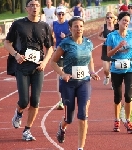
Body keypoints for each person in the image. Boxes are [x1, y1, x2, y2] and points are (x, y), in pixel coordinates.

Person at [4, 0, 53, 141]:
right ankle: (18, 113)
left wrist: (44, 62)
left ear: (40, 8)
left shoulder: (44, 26)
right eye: (31, 5)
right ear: (27, 8)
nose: (35, 8)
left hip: (38, 67)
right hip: (22, 67)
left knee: (35, 101)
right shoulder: (18, 24)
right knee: (24, 101)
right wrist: (16, 55)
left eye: (37, 5)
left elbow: (50, 48)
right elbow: (7, 43)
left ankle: (27, 130)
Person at [50, 16, 100, 150]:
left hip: (84, 82)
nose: (79, 29)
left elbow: (90, 59)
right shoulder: (65, 43)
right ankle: (62, 127)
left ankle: (80, 148)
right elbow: (52, 62)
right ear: (70, 28)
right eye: (76, 26)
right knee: (69, 118)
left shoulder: (88, 43)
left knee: (83, 114)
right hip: (68, 84)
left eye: (81, 26)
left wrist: (92, 72)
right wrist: (62, 74)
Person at [106, 11, 132, 133]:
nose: (126, 22)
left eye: (128, 21)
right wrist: (118, 47)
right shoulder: (112, 36)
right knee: (117, 97)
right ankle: (116, 120)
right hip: (116, 69)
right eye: (124, 20)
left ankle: (127, 120)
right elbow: (108, 54)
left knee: (128, 95)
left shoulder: (131, 35)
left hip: (129, 69)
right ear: (119, 21)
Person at [52, 6, 71, 110]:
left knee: (68, 74)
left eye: (62, 14)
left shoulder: (69, 24)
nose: (61, 16)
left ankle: (69, 96)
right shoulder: (54, 24)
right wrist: (52, 43)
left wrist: (66, 37)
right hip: (58, 52)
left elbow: (75, 36)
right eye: (59, 14)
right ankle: (61, 101)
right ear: (56, 14)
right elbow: (50, 35)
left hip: (68, 52)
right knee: (60, 76)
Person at [98, 12, 116, 86]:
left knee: (114, 68)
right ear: (105, 19)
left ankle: (113, 82)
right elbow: (98, 36)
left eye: (111, 17)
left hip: (115, 49)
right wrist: (104, 39)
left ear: (114, 19)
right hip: (105, 48)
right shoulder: (103, 27)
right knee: (106, 69)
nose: (109, 19)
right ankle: (107, 76)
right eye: (108, 17)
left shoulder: (117, 27)